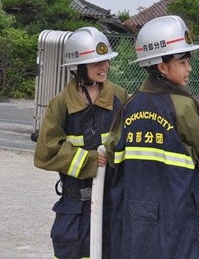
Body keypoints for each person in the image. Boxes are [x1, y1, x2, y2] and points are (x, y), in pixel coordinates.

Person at [103, 15, 199, 258]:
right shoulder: (182, 105)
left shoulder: (130, 105)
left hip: (136, 218)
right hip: (176, 217)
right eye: (183, 62)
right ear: (162, 66)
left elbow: (113, 151)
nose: (189, 68)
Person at [34, 26, 129, 259]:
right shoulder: (61, 104)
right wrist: (91, 160)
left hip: (111, 203)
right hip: (74, 209)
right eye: (96, 62)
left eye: (105, 60)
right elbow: (46, 152)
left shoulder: (120, 97)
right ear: (77, 68)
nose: (104, 66)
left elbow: (130, 141)